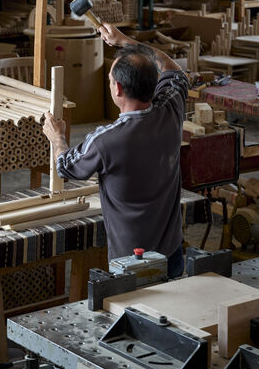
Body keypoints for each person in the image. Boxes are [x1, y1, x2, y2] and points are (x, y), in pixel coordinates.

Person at [43, 24, 188, 278]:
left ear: (118, 88)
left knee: (134, 305)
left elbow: (65, 166)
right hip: (172, 250)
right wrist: (124, 41)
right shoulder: (171, 108)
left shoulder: (106, 141)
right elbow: (169, 66)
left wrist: (56, 137)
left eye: (110, 80)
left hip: (131, 262)